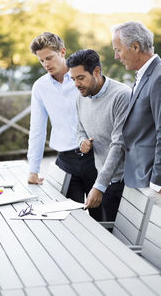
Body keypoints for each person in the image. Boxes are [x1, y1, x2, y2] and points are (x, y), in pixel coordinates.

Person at [112, 21, 161, 217]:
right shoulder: (146, 75)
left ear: (135, 46)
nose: (116, 56)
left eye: (118, 50)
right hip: (141, 177)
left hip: (158, 185)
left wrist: (158, 182)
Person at [27, 32, 102, 221]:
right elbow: (37, 128)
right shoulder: (40, 87)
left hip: (95, 157)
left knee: (101, 219)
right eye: (41, 60)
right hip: (66, 163)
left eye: (49, 58)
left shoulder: (84, 76)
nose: (46, 64)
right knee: (71, 221)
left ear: (62, 52)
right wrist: (33, 169)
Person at [66, 49, 131, 221]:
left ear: (96, 71)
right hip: (102, 179)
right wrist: (82, 142)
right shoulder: (81, 97)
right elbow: (80, 129)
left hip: (124, 183)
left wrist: (99, 186)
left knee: (121, 241)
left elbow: (119, 145)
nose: (76, 84)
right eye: (73, 79)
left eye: (80, 78)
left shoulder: (121, 95)